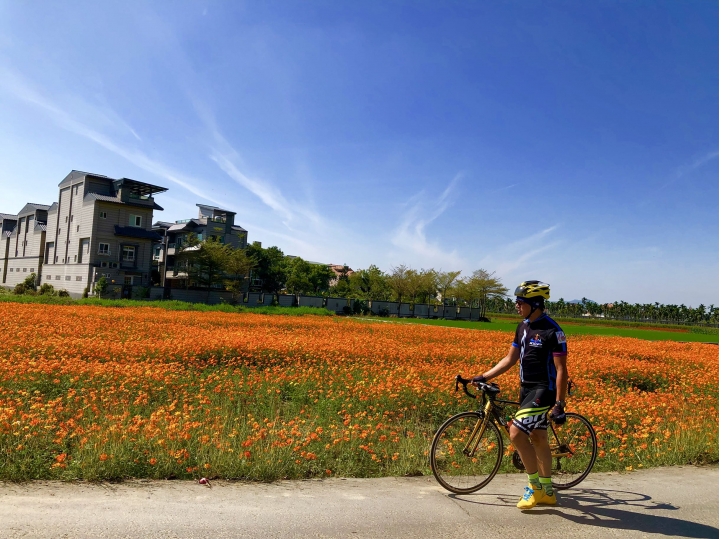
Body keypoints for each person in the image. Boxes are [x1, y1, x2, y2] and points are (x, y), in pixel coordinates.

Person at [472, 280, 568, 509]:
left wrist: (560, 404)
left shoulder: (553, 331)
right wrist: (484, 376)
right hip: (525, 387)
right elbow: (510, 359)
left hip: (544, 389)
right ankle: (547, 492)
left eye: (520, 301)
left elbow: (562, 369)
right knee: (538, 437)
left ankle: (533, 486)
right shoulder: (522, 326)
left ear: (535, 304)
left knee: (515, 432)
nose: (516, 305)